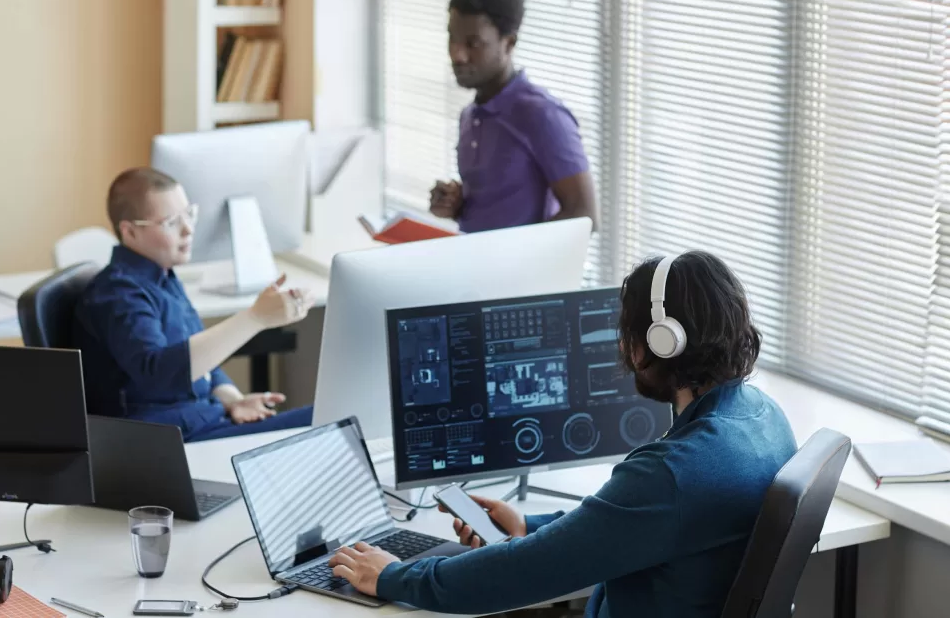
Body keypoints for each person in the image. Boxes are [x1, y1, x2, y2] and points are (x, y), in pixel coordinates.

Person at [328, 251, 798, 617]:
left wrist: (394, 576)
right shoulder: (764, 417)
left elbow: (523, 573)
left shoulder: (672, 473)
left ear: (657, 343)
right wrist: (531, 526)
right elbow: (640, 522)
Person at [73, 168, 313, 442]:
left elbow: (199, 356)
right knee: (329, 421)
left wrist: (232, 399)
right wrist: (255, 318)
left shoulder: (164, 276)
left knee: (331, 418)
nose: (188, 229)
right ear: (130, 231)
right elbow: (159, 373)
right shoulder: (118, 293)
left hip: (207, 422)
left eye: (189, 214)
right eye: (171, 222)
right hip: (171, 442)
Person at [430, 0, 598, 234]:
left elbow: (583, 214)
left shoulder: (541, 114)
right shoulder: (470, 114)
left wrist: (511, 262)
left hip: (519, 275)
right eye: (452, 37)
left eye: (473, 43)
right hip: (471, 268)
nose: (457, 54)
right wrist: (457, 203)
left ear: (509, 43)